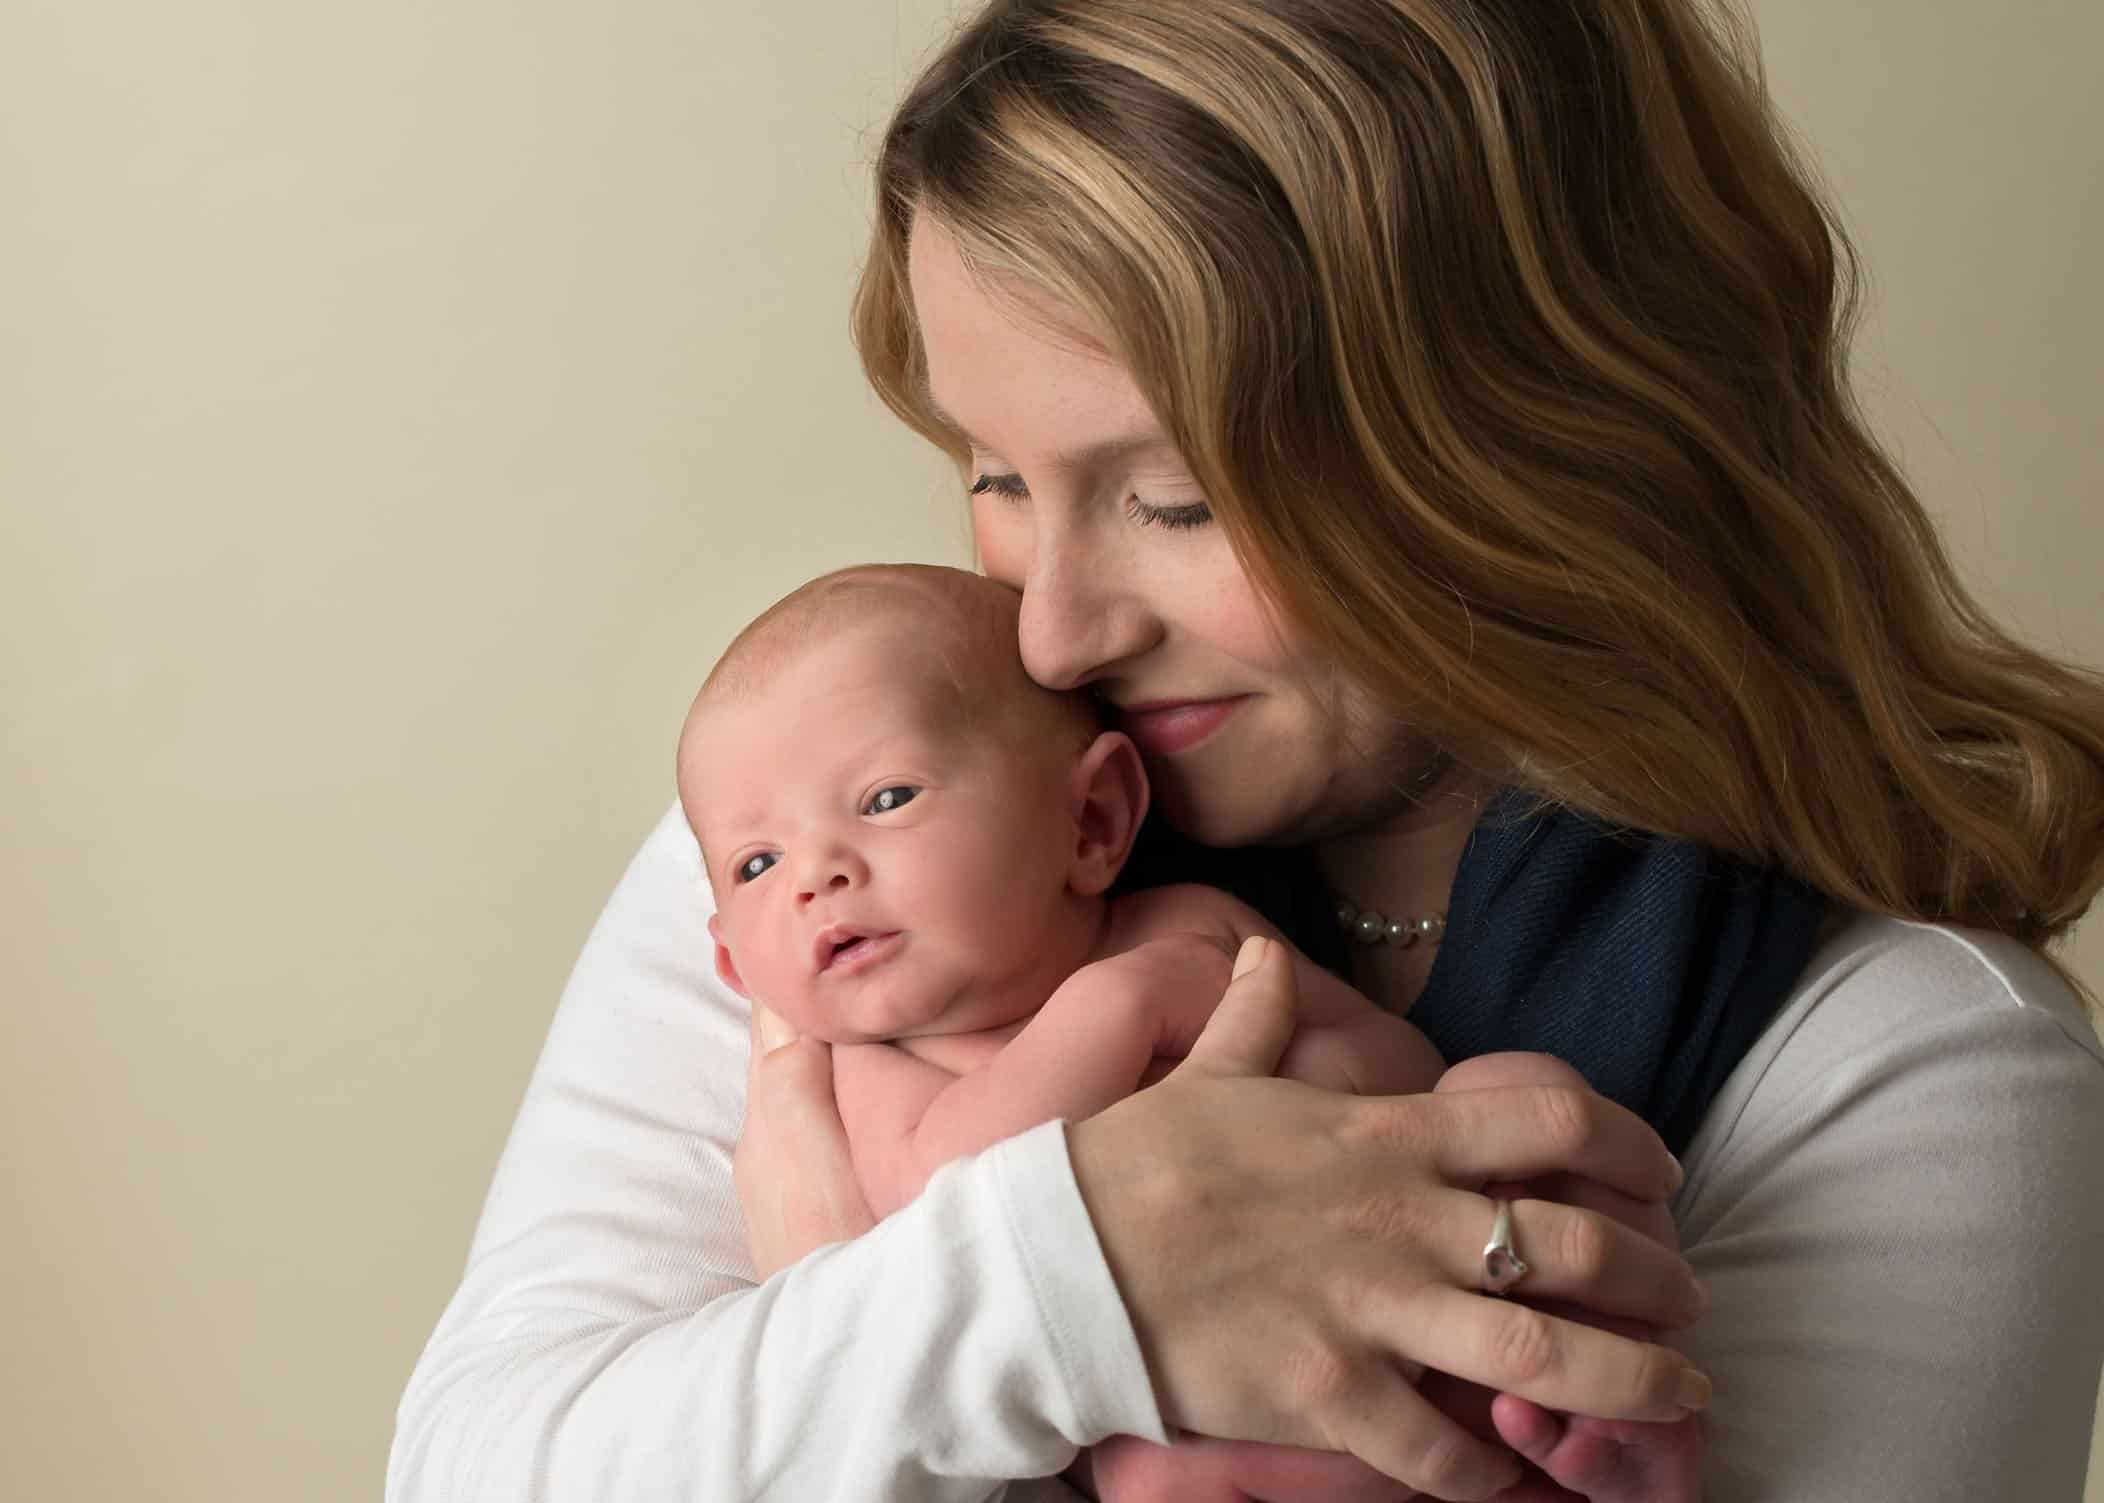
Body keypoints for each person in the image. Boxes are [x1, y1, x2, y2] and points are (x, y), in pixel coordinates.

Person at [388, 2, 2104, 1500]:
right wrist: (1079, 1271)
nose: (1052, 632)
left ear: (1518, 440)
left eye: (1173, 497)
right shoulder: (840, 853)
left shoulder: (1894, 1057)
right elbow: (477, 1465)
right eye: (993, 472)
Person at [678, 560, 1702, 1502]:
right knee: (1144, 1478)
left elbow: (1395, 1069)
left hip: (1412, 1290)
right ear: (731, 957)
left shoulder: (1184, 922)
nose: (817, 875)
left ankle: (1608, 1421)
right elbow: (953, 1198)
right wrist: (1119, 1007)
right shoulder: (871, 1071)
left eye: (886, 799)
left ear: (1091, 821)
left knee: (1515, 1089)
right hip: (1226, 1413)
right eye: (756, 864)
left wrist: (1337, 1091)